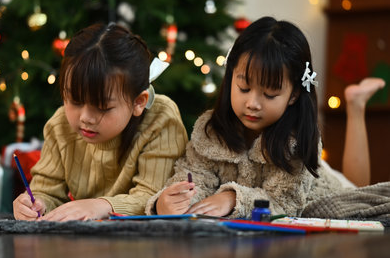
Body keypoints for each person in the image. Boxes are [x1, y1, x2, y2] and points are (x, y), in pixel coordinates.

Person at [145, 16, 386, 218]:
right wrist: (170, 202)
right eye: (244, 88)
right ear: (231, 78)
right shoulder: (210, 131)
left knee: (359, 191)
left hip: (323, 184)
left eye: (270, 94)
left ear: (293, 95)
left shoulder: (297, 142)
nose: (252, 104)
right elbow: (194, 177)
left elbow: (285, 203)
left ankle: (356, 104)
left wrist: (232, 198)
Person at [13, 23, 188, 221]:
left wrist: (100, 206)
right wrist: (36, 204)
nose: (85, 117)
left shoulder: (161, 118)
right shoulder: (60, 125)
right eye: (75, 101)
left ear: (139, 102)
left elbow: (154, 198)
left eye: (102, 107)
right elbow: (47, 192)